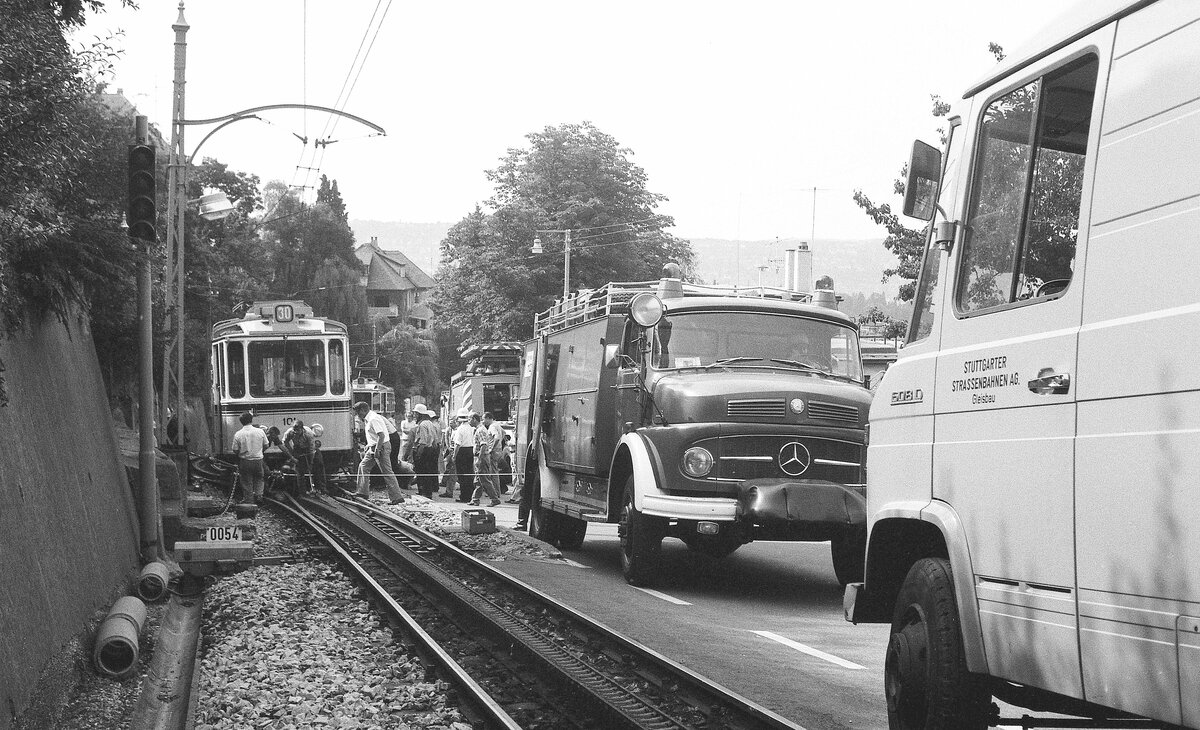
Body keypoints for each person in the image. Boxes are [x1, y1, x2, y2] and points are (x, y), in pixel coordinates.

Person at [353, 401, 405, 504]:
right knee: (363, 466)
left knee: (387, 471)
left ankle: (397, 497)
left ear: (363, 410)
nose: (357, 415)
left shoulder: (373, 419)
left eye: (358, 412)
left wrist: (377, 449)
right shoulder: (369, 419)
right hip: (374, 447)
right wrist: (369, 446)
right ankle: (362, 492)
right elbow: (374, 436)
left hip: (381, 447)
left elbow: (381, 435)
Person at [231, 411, 268, 503]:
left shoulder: (238, 434)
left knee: (247, 481)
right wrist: (259, 450)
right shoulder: (260, 431)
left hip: (245, 461)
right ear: (251, 420)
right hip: (258, 460)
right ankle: (259, 496)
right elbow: (266, 445)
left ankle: (249, 500)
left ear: (241, 422)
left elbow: (235, 450)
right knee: (259, 478)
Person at [410, 403, 442, 499]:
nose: (414, 416)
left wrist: (419, 454)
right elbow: (435, 440)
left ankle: (424, 492)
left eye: (416, 413)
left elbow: (423, 442)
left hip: (423, 449)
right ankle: (427, 492)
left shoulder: (422, 425)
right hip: (431, 449)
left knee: (421, 472)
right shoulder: (430, 423)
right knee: (428, 472)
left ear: (420, 414)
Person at [471, 411, 501, 506]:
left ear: (474, 419)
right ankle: (475, 499)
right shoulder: (481, 429)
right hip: (482, 456)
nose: (468, 421)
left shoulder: (480, 430)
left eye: (469, 419)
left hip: (482, 457)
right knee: (479, 480)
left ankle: (494, 499)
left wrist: (479, 459)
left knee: (485, 479)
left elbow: (483, 445)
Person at [452, 410, 476, 503]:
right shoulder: (471, 428)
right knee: (469, 474)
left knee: (462, 475)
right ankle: (469, 495)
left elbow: (457, 444)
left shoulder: (460, 429)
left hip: (462, 452)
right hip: (470, 450)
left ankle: (464, 496)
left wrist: (454, 455)